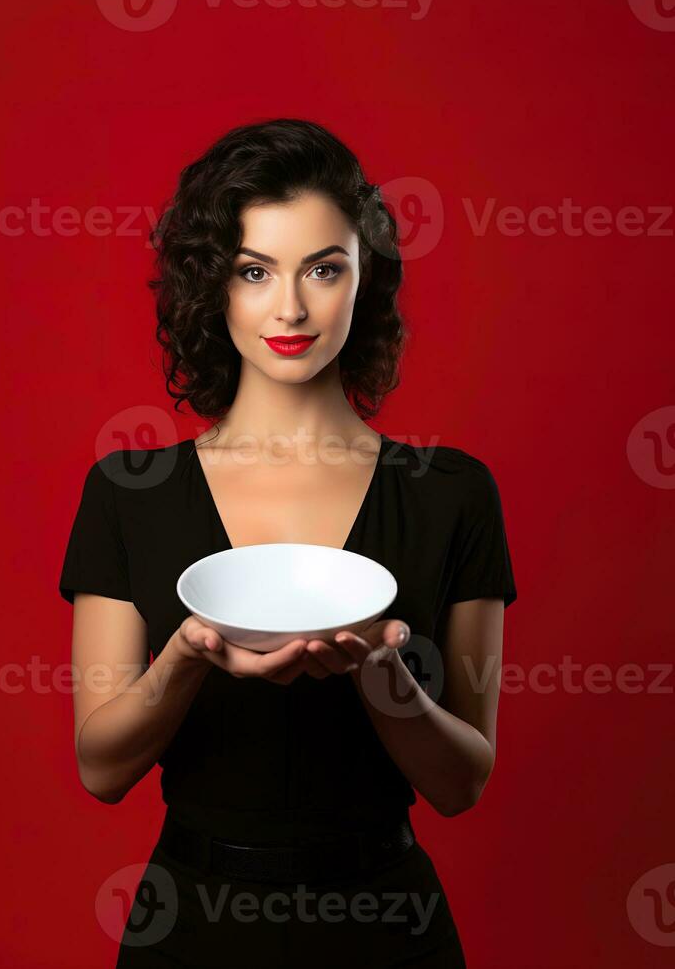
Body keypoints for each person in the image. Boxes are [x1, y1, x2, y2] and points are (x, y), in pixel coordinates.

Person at [59, 119, 518, 968]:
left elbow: (462, 785)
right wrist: (187, 657)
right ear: (213, 287)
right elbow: (101, 768)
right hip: (192, 925)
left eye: (324, 268)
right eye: (254, 271)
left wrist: (388, 681)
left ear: (365, 278)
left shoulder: (453, 493)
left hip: (389, 928)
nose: (292, 308)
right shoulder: (130, 493)